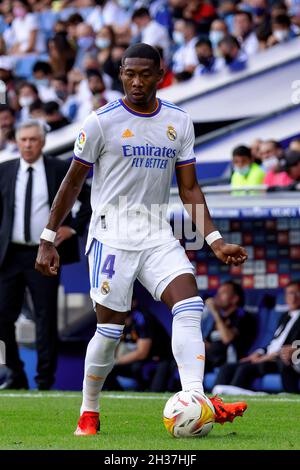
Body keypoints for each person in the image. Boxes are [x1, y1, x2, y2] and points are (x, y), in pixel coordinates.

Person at [35, 43, 248, 435]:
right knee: (110, 330)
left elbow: (189, 188)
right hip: (111, 233)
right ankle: (89, 409)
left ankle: (196, 400)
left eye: (145, 74)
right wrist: (48, 237)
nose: (136, 81)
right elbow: (72, 181)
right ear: (120, 73)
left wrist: (215, 240)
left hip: (155, 230)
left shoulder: (179, 121)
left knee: (189, 303)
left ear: (160, 73)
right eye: (129, 73)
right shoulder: (101, 121)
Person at [0, 120, 91, 390]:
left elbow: (90, 198)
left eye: (33, 140)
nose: (28, 144)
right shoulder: (4, 171)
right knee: (2, 317)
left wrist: (72, 228)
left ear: (42, 142)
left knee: (45, 318)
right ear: (16, 141)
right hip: (10, 254)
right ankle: (15, 374)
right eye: (23, 139)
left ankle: (44, 382)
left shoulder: (59, 169)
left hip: (45, 253)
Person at [214, 281, 300, 393]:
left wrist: (267, 357)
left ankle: (237, 401)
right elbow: (274, 342)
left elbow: (292, 346)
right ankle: (216, 400)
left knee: (245, 369)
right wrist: (259, 352)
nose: (293, 298)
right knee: (228, 367)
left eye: (297, 293)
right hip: (268, 356)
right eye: (290, 294)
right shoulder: (284, 316)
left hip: (282, 358)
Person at [203, 281, 257, 372]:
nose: (217, 297)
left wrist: (215, 312)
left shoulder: (243, 316)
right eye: (218, 293)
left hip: (228, 361)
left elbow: (227, 338)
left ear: (235, 299)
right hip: (209, 359)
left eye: (223, 293)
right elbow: (208, 343)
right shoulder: (221, 318)